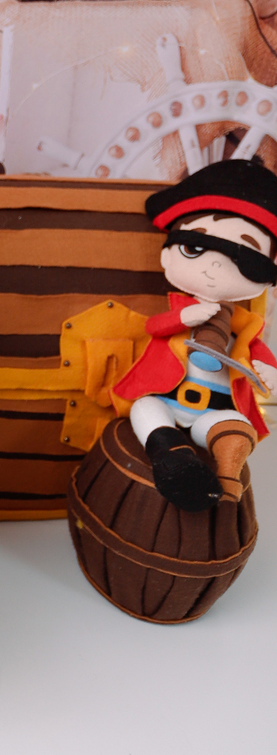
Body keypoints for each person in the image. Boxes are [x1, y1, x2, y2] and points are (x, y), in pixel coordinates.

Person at [112, 157, 277, 511]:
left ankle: (228, 483)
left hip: (213, 411)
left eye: (244, 258)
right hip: (167, 398)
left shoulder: (245, 326)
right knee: (145, 408)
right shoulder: (181, 310)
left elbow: (258, 350)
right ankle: (170, 454)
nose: (215, 267)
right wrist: (184, 317)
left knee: (234, 426)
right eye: (194, 247)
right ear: (170, 253)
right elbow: (153, 327)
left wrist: (270, 371)